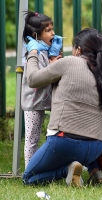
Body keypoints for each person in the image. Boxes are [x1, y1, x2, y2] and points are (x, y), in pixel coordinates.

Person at [22, 28, 102, 187]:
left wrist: (33, 52)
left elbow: (33, 79)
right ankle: (93, 169)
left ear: (78, 50)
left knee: (28, 177)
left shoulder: (69, 62)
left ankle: (67, 170)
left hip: (64, 142)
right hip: (96, 148)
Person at [21, 11, 63, 167]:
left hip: (50, 98)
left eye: (52, 29)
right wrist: (53, 64)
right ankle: (29, 171)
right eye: (48, 30)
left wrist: (55, 58)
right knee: (32, 138)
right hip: (34, 100)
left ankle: (50, 166)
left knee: (54, 135)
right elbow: (38, 77)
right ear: (36, 35)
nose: (53, 33)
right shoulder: (34, 53)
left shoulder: (49, 50)